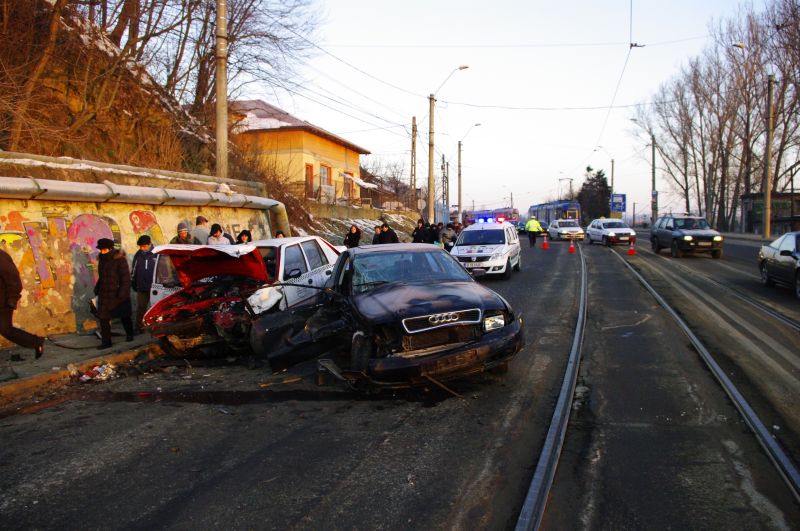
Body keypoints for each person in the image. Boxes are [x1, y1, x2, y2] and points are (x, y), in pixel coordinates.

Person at [0, 248, 44, 359]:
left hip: (3, 302)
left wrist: (12, 298)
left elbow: (14, 278)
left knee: (6, 329)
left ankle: (36, 342)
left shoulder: (1, 257)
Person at [94, 238, 134, 349]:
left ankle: (130, 334)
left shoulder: (120, 260)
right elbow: (102, 277)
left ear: (111, 249)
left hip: (118, 294)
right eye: (101, 249)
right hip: (104, 294)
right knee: (103, 318)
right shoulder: (101, 260)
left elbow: (125, 279)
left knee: (124, 315)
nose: (102, 252)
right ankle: (106, 342)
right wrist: (97, 288)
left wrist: (122, 294)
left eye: (104, 249)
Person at [131, 235, 156, 333]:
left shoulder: (156, 253)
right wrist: (133, 281)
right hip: (141, 286)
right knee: (141, 308)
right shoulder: (138, 255)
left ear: (149, 244)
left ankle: (155, 327)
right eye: (140, 246)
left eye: (144, 246)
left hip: (154, 287)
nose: (142, 248)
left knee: (155, 308)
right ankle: (139, 328)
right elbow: (134, 269)